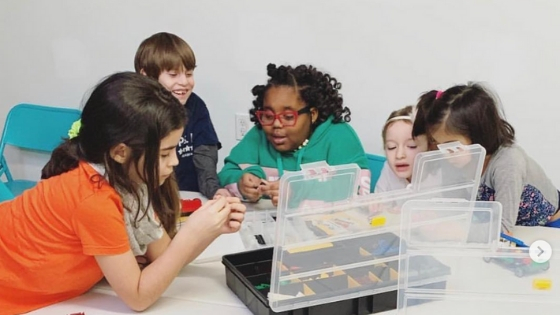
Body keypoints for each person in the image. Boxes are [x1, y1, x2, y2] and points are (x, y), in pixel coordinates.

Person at [0, 72, 245, 314]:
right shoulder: (94, 197)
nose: (175, 162)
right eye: (163, 154)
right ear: (120, 152)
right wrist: (192, 233)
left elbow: (163, 257)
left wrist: (209, 230)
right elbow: (138, 297)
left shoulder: (128, 179)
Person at [414, 83, 560, 234]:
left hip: (550, 226)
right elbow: (456, 210)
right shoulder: (454, 159)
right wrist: (436, 216)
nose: (445, 153)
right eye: (439, 145)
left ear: (479, 135)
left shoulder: (508, 162)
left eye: (452, 146)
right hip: (517, 229)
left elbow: (503, 228)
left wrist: (455, 233)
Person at [218, 63, 371, 206]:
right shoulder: (258, 135)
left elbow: (355, 190)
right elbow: (227, 172)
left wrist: (297, 190)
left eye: (288, 117)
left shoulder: (339, 137)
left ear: (312, 114)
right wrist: (242, 182)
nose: (276, 124)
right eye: (269, 116)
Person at [134, 32, 229, 199]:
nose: (184, 82)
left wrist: (215, 191)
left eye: (189, 74)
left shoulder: (196, 106)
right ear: (146, 75)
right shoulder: (134, 110)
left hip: (189, 197)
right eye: (173, 74)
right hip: (146, 200)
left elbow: (205, 157)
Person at [374, 105, 428, 193]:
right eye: (391, 147)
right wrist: (377, 206)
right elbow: (380, 201)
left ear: (430, 147)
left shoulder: (441, 173)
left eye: (411, 146)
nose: (399, 155)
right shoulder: (388, 170)